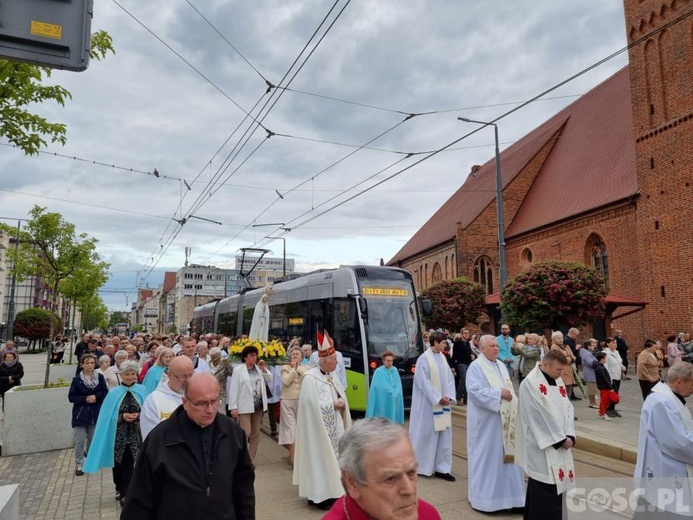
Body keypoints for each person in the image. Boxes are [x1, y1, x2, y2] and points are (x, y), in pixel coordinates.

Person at [121, 373, 255, 519]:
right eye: (202, 403)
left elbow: (244, 488)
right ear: (185, 402)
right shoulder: (160, 439)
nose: (210, 409)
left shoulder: (232, 433)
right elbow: (139, 497)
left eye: (214, 401)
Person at [323, 418, 442, 520]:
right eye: (390, 479)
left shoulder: (428, 515)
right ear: (352, 483)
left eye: (411, 472)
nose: (409, 490)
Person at [465, 334, 525, 512]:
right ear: (482, 348)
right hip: (487, 424)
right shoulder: (476, 367)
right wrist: (498, 393)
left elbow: (510, 390)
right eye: (492, 346)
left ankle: (514, 500)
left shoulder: (500, 365)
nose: (496, 348)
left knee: (510, 459)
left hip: (506, 421)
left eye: (497, 346)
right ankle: (488, 501)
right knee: (490, 459)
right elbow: (474, 391)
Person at [293, 330, 351, 510]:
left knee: (334, 460)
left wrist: (341, 402)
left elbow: (340, 393)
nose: (337, 363)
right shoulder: (311, 378)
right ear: (325, 361)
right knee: (319, 461)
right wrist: (331, 405)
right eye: (334, 361)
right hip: (317, 431)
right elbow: (309, 405)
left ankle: (333, 492)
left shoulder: (331, 376)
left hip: (335, 427)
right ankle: (319, 496)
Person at [516, 349, 576, 520]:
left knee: (559, 490)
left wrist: (570, 434)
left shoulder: (557, 381)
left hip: (562, 441)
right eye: (558, 370)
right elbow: (537, 416)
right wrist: (559, 439)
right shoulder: (530, 384)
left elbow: (568, 408)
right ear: (545, 364)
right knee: (544, 490)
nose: (561, 374)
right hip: (543, 446)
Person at [633, 362, 693, 518]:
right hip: (666, 470)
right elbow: (678, 443)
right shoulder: (662, 401)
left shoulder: (671, 397)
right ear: (679, 382)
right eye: (692, 384)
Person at [84, 361, 147, 502]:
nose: (130, 377)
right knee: (119, 464)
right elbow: (107, 416)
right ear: (121, 375)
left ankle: (127, 495)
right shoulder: (114, 393)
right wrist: (122, 417)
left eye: (132, 374)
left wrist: (139, 415)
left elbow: (148, 410)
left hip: (136, 435)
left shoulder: (142, 389)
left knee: (130, 464)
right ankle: (120, 487)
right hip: (118, 435)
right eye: (127, 374)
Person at [409, 330, 456, 482]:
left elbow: (449, 378)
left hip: (443, 404)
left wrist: (448, 395)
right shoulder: (424, 358)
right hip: (429, 405)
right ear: (435, 343)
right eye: (443, 343)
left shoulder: (442, 358)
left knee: (444, 436)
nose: (445, 345)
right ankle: (422, 466)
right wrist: (437, 398)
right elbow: (423, 381)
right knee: (427, 435)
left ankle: (442, 468)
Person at [227, 345, 273, 463]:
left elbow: (269, 379)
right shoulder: (238, 370)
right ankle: (241, 456)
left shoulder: (258, 368)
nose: (254, 358)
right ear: (245, 357)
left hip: (258, 405)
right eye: (251, 355)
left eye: (255, 355)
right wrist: (233, 407)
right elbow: (234, 388)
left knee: (256, 433)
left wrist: (263, 368)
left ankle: (250, 459)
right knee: (245, 432)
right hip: (245, 404)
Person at [68, 353, 108, 476]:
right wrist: (85, 398)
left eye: (92, 363)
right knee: (79, 440)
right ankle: (79, 464)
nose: (90, 365)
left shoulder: (99, 377)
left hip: (94, 412)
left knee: (92, 438)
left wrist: (96, 396)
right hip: (81, 414)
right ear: (82, 365)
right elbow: (72, 397)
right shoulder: (77, 380)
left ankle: (90, 460)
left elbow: (104, 392)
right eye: (87, 363)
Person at [279, 346, 308, 466]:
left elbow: (306, 379)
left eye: (297, 354)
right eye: (293, 354)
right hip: (287, 399)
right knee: (290, 427)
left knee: (299, 427)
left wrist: (298, 368)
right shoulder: (285, 367)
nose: (295, 355)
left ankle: (295, 454)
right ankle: (293, 453)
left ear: (302, 357)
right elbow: (286, 381)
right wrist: (294, 369)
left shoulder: (306, 368)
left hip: (301, 399)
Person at [365, 350, 404, 424]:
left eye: (391, 361)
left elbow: (398, 384)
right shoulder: (378, 371)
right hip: (383, 399)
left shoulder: (395, 370)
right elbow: (376, 386)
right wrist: (388, 391)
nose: (390, 363)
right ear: (383, 361)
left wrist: (396, 392)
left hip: (394, 397)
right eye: (388, 361)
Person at [451, 329, 474, 405]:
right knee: (463, 380)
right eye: (465, 333)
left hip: (468, 363)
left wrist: (472, 355)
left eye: (468, 333)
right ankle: (458, 397)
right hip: (461, 363)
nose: (467, 334)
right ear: (461, 334)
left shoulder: (468, 343)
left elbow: (469, 351)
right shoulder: (457, 343)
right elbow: (454, 355)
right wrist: (453, 366)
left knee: (468, 381)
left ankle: (466, 399)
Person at [604, 337, 624, 417]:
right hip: (611, 376)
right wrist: (609, 379)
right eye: (612, 343)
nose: (615, 344)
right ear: (608, 344)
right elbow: (605, 367)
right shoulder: (605, 353)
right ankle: (608, 409)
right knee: (611, 393)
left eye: (615, 343)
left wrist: (622, 366)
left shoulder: (616, 352)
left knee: (615, 393)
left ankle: (612, 408)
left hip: (617, 375)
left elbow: (619, 362)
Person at [593, 351, 615, 420]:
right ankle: (602, 413)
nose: (606, 359)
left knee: (607, 400)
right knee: (604, 400)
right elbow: (604, 379)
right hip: (604, 387)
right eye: (605, 358)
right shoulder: (599, 368)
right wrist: (610, 386)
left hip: (605, 386)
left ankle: (602, 412)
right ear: (602, 359)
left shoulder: (601, 366)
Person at [579, 339, 599, 409]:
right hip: (590, 373)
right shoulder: (587, 353)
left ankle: (593, 402)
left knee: (593, 389)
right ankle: (592, 403)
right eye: (592, 345)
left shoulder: (589, 353)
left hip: (591, 373)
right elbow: (591, 362)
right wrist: (598, 363)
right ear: (588, 346)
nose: (594, 347)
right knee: (591, 389)